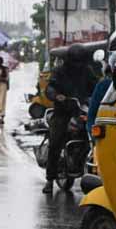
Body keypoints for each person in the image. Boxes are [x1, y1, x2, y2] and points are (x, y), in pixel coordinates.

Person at [43, 54, 96, 193]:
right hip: (63, 112)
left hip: (82, 110)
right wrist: (56, 96)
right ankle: (49, 179)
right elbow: (49, 88)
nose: (78, 65)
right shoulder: (59, 71)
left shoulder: (87, 71)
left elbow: (95, 87)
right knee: (55, 143)